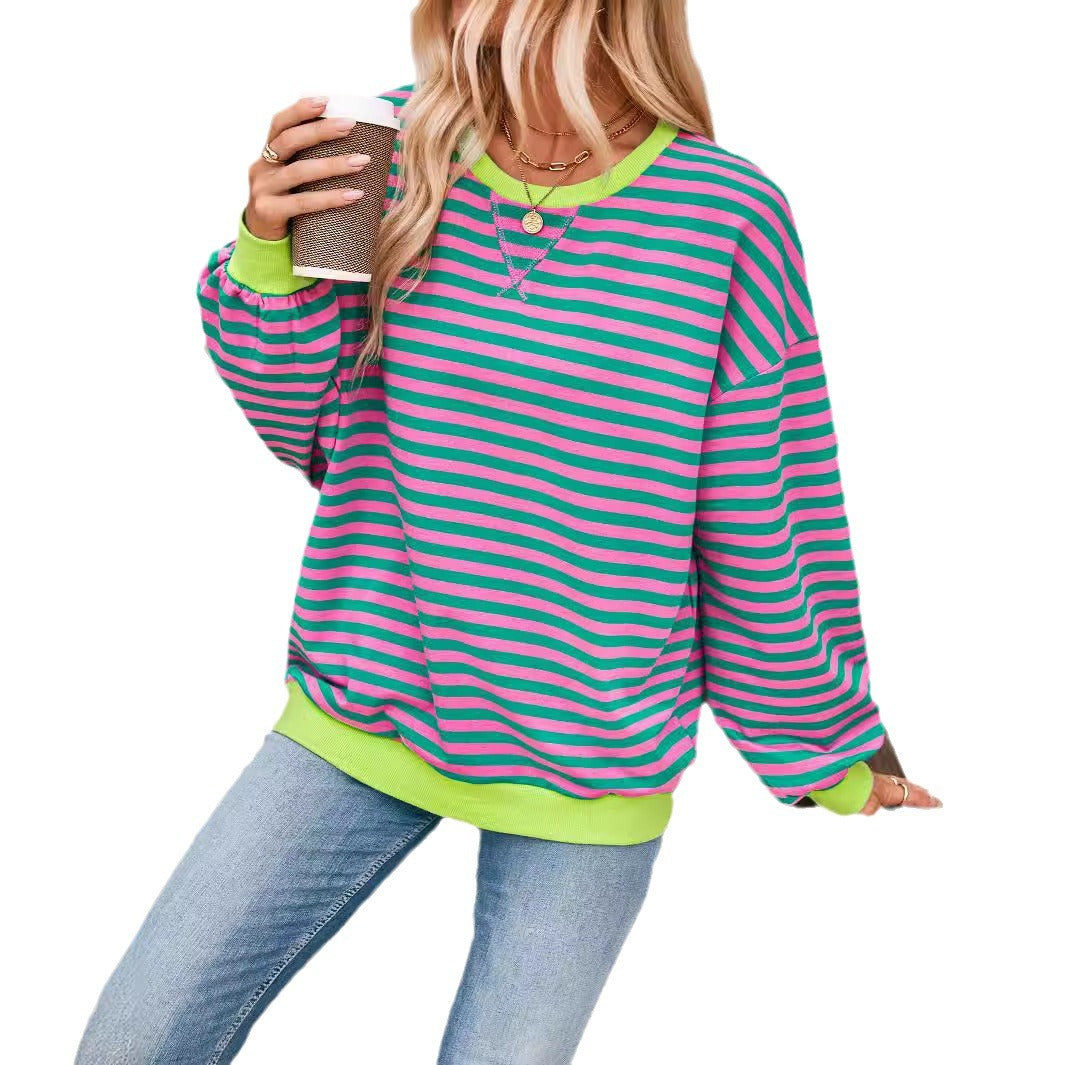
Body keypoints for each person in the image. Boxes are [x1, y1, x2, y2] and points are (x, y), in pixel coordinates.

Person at [74, 1, 943, 1062]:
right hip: (368, 695)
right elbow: (301, 420)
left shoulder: (725, 215)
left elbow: (763, 501)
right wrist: (265, 251)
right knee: (132, 1041)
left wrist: (824, 739)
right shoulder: (387, 144)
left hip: (592, 751)